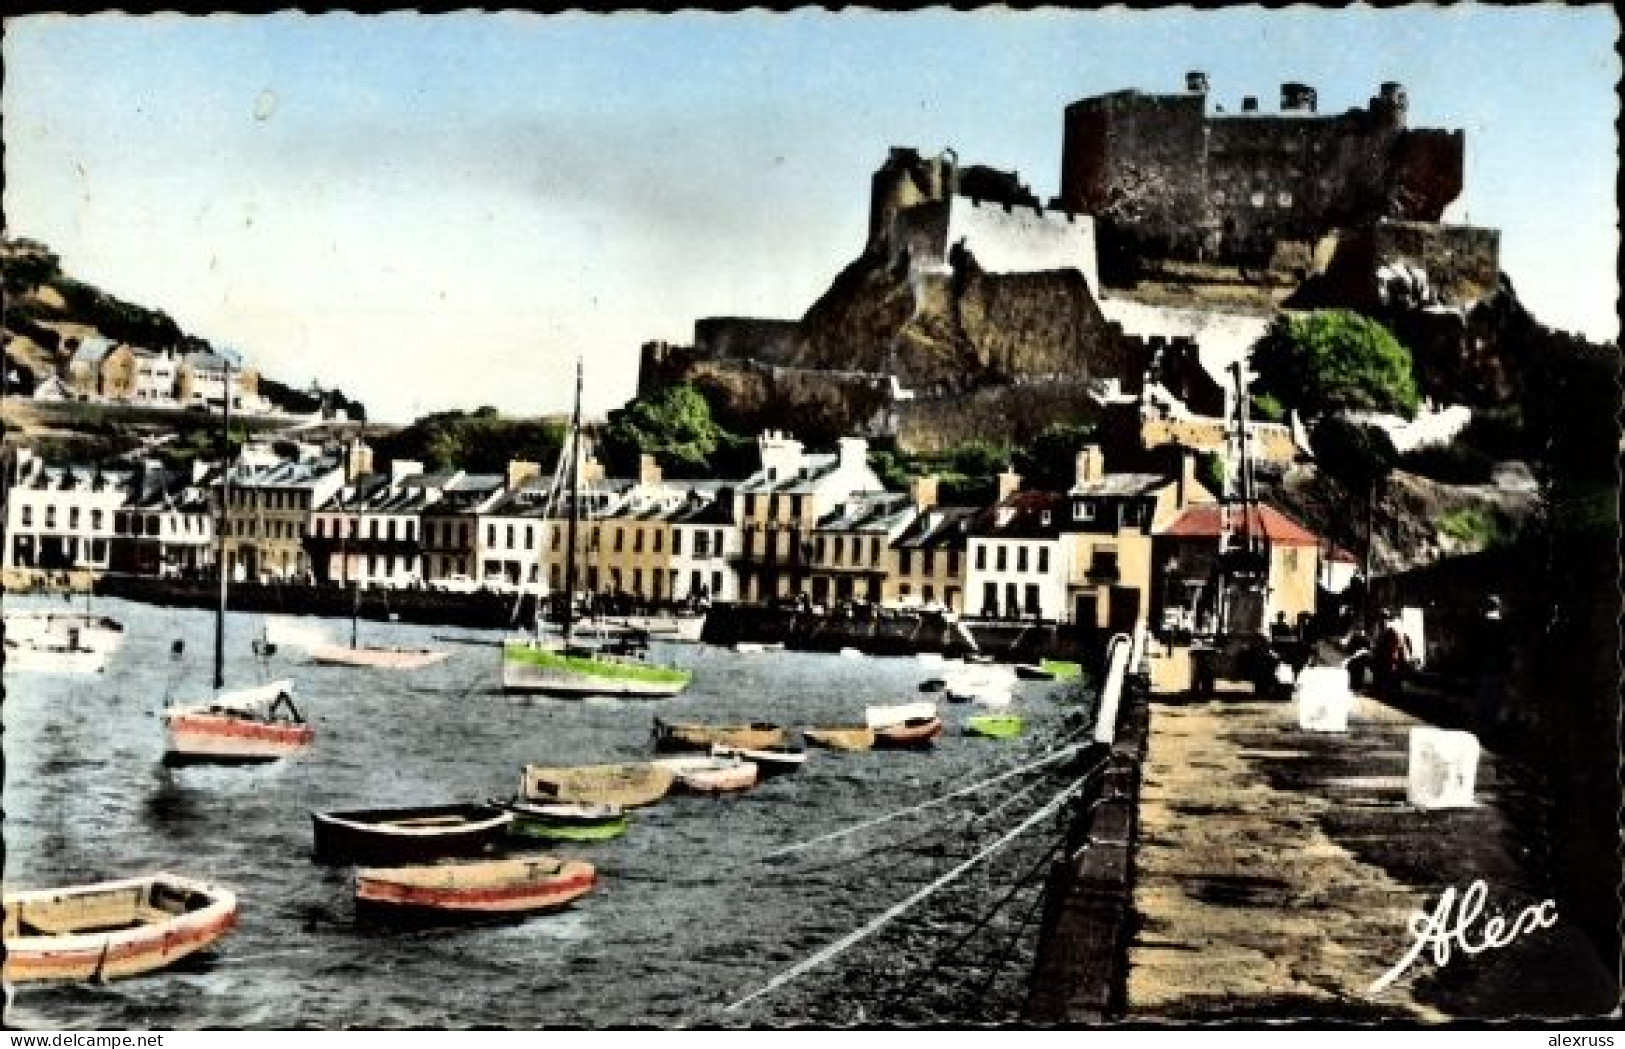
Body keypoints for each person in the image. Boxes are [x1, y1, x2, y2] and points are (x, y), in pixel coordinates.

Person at [1371, 608, 1412, 700]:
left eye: (1383, 618)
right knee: (1388, 683)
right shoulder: (1384, 630)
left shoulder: (1391, 631)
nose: (1381, 621)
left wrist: (1393, 662)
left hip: (1390, 662)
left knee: (1391, 684)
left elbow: (1394, 649)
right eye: (1380, 619)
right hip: (1387, 662)